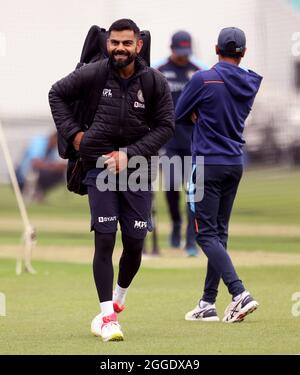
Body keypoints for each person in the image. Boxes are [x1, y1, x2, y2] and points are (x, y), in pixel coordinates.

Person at [49, 19, 174, 341]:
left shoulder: (154, 82)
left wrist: (129, 154)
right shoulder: (93, 73)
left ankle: (118, 301)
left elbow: (166, 126)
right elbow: (56, 94)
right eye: (114, 42)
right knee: (104, 239)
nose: (120, 48)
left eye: (126, 43)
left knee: (134, 243)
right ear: (108, 43)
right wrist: (74, 135)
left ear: (138, 45)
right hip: (98, 168)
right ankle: (107, 318)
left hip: (138, 170)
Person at [176, 27, 262, 322]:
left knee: (204, 234)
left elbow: (177, 113)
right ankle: (207, 302)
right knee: (219, 233)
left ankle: (239, 293)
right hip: (234, 162)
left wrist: (194, 112)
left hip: (207, 163)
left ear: (216, 48)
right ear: (244, 52)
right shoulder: (251, 81)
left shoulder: (203, 78)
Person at [156, 31, 206, 257]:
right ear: (172, 49)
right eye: (180, 52)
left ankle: (191, 239)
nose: (183, 57)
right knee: (171, 186)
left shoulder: (199, 72)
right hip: (168, 140)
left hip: (195, 141)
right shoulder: (159, 71)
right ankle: (176, 223)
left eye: (187, 53)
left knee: (194, 192)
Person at [16, 132, 66, 202]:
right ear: (54, 138)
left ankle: (38, 192)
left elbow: (56, 163)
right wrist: (53, 166)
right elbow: (35, 163)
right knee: (47, 172)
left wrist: (57, 166)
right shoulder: (39, 142)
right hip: (22, 174)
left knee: (59, 174)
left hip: (37, 173)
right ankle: (34, 193)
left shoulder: (53, 148)